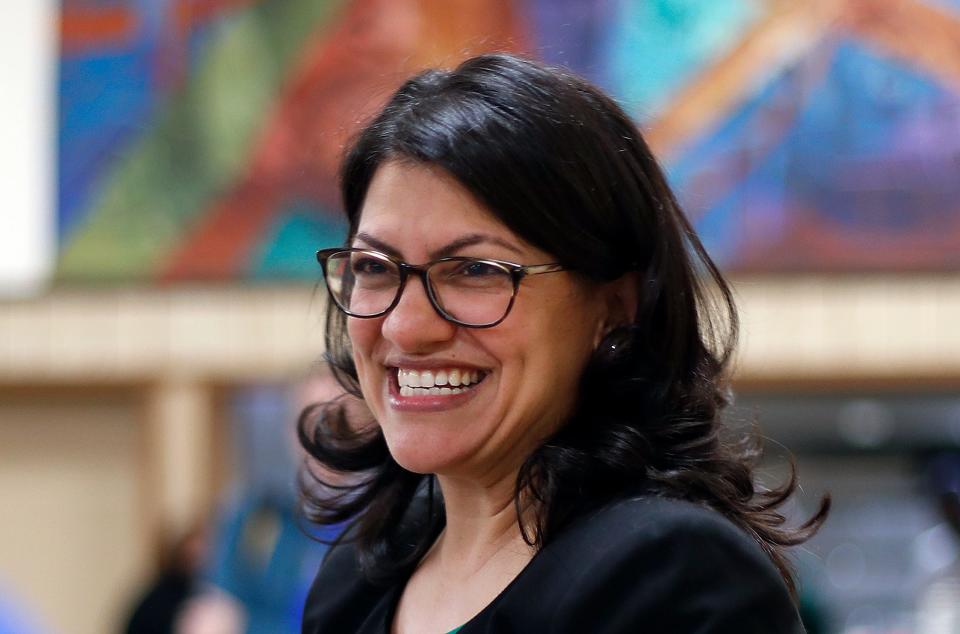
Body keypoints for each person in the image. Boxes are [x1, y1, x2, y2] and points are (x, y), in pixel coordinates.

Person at [298, 52, 829, 633]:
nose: (405, 327)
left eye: (476, 271)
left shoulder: (672, 575)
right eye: (376, 266)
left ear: (613, 307)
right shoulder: (356, 578)